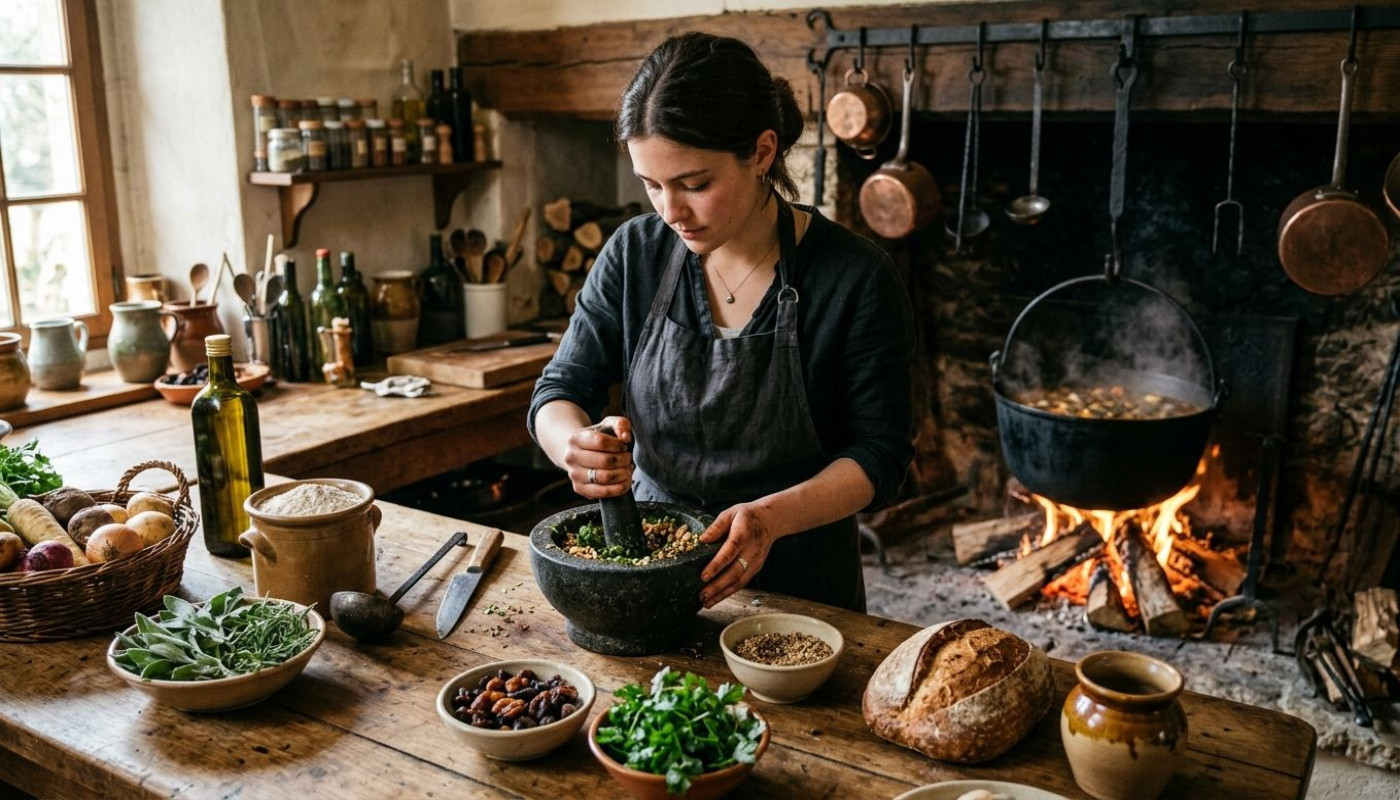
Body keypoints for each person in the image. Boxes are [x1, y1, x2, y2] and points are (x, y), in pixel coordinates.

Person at [529, 32, 914, 612]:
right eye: (651, 185)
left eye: (695, 184)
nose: (671, 212)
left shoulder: (855, 276)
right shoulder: (635, 254)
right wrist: (571, 446)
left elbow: (881, 453)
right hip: (650, 567)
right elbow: (560, 389)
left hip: (801, 587)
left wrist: (769, 519)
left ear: (762, 152)